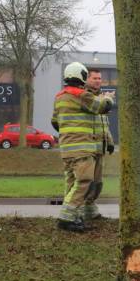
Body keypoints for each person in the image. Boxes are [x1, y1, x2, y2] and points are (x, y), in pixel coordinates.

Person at [51, 62, 115, 232]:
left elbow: (55, 122)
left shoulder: (60, 96)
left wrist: (69, 134)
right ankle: (67, 217)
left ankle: (76, 214)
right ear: (83, 77)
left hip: (67, 149)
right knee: (85, 182)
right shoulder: (82, 96)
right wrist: (108, 98)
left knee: (72, 183)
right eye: (91, 77)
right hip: (83, 149)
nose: (96, 81)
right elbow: (103, 107)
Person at [83, 68, 115, 221]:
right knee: (85, 182)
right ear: (87, 79)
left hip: (99, 148)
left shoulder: (101, 98)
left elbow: (104, 124)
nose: (98, 81)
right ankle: (81, 211)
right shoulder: (85, 97)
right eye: (94, 78)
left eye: (99, 78)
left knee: (98, 183)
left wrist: (109, 142)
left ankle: (90, 210)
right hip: (87, 147)